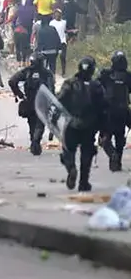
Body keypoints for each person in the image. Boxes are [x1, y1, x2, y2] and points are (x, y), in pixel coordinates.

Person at [57, 57, 106, 191]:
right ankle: (83, 183)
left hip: (71, 124)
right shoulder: (97, 86)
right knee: (87, 154)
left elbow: (59, 102)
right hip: (90, 126)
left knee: (68, 151)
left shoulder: (69, 83)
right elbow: (103, 108)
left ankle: (71, 168)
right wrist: (103, 131)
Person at [8, 53, 53, 156]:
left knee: (32, 123)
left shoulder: (26, 71)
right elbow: (51, 89)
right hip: (43, 102)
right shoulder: (47, 74)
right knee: (40, 124)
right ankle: (36, 141)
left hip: (29, 101)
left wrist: (19, 94)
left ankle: (33, 140)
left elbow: (12, 81)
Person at [98, 51, 130, 172]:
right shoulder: (128, 76)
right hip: (123, 112)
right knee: (119, 138)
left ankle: (113, 155)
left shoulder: (106, 74)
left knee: (104, 138)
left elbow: (96, 86)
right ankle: (117, 163)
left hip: (108, 112)